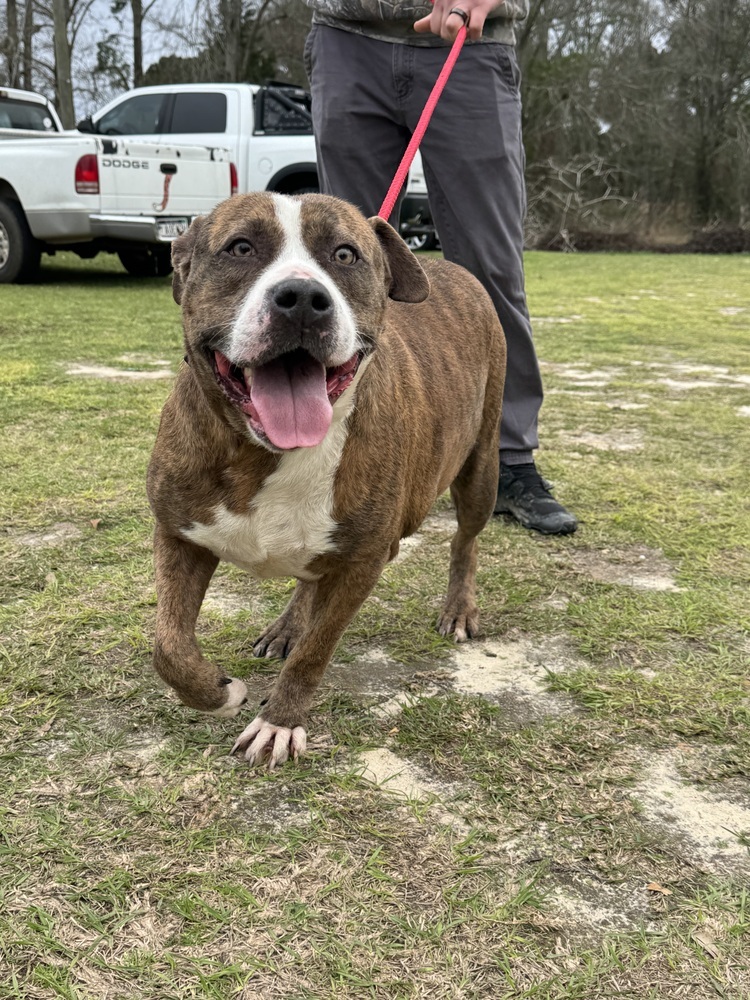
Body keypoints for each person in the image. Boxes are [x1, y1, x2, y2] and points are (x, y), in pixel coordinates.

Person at [303, 0, 578, 535]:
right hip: (346, 40)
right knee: (343, 269)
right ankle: (332, 445)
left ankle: (510, 460)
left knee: (492, 269)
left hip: (470, 49)